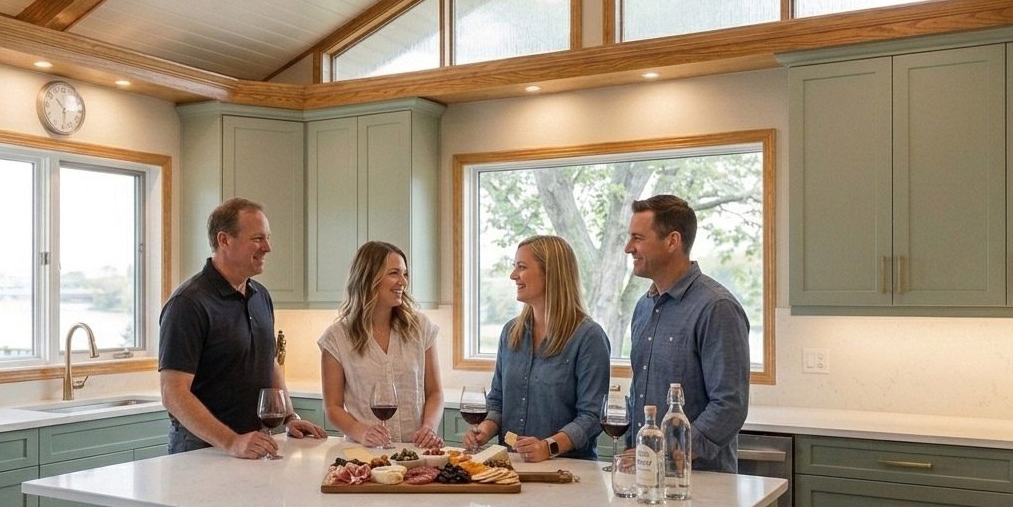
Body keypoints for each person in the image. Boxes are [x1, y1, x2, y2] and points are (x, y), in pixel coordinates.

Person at [159, 197, 326, 456]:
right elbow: (173, 393)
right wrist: (231, 441)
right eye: (258, 239)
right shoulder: (188, 303)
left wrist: (289, 417)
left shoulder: (261, 295)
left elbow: (269, 362)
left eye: (267, 238)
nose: (267, 247)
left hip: (253, 444)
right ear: (224, 240)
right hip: (201, 450)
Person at [624, 194, 750, 473]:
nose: (628, 248)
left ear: (672, 241)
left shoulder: (717, 307)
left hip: (700, 478)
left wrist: (669, 451)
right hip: (646, 472)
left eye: (638, 238)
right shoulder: (643, 307)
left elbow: (730, 405)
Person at [462, 235, 610, 462]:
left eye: (522, 267)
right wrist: (485, 429)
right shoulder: (511, 332)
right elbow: (497, 401)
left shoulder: (589, 337)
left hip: (566, 469)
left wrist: (547, 447)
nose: (513, 275)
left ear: (551, 273)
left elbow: (592, 416)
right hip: (512, 465)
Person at [318, 241, 444, 449]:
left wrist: (428, 428)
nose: (403, 282)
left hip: (415, 452)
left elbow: (435, 393)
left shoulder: (421, 328)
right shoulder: (336, 337)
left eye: (405, 274)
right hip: (363, 453)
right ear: (368, 278)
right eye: (394, 273)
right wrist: (362, 433)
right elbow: (332, 407)